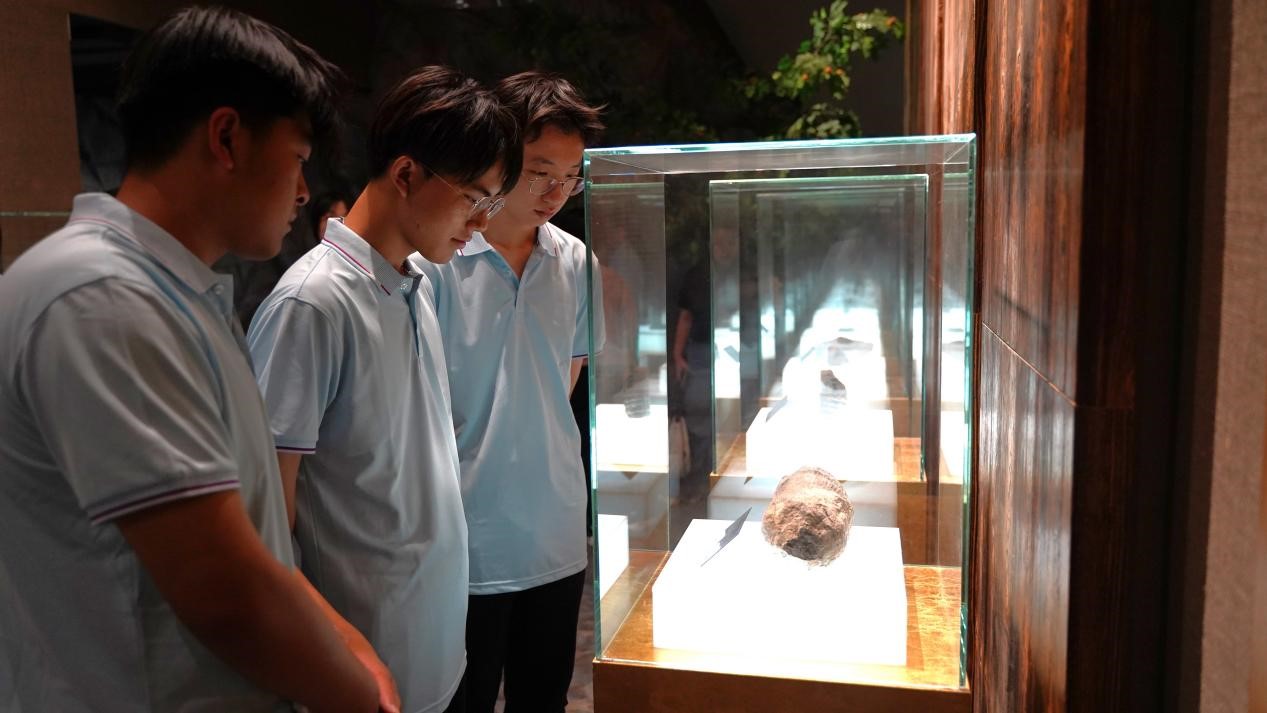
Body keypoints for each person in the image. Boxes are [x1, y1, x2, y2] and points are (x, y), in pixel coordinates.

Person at [0, 7, 396, 712]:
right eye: (297, 157)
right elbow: (224, 593)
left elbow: (253, 542)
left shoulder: (174, 291)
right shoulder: (101, 297)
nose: (304, 191)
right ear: (226, 137)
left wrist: (352, 653)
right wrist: (359, 698)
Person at [247, 65, 520, 713]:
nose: (480, 224)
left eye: (490, 205)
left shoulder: (415, 284)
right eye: (473, 199)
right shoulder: (313, 304)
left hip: (436, 650)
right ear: (405, 175)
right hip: (363, 670)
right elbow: (265, 522)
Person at [410, 70, 604, 713]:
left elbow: (567, 380)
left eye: (571, 176)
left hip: (555, 530)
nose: (556, 191)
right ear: (500, 159)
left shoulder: (574, 261)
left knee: (543, 699)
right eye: (540, 171)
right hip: (463, 537)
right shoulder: (436, 261)